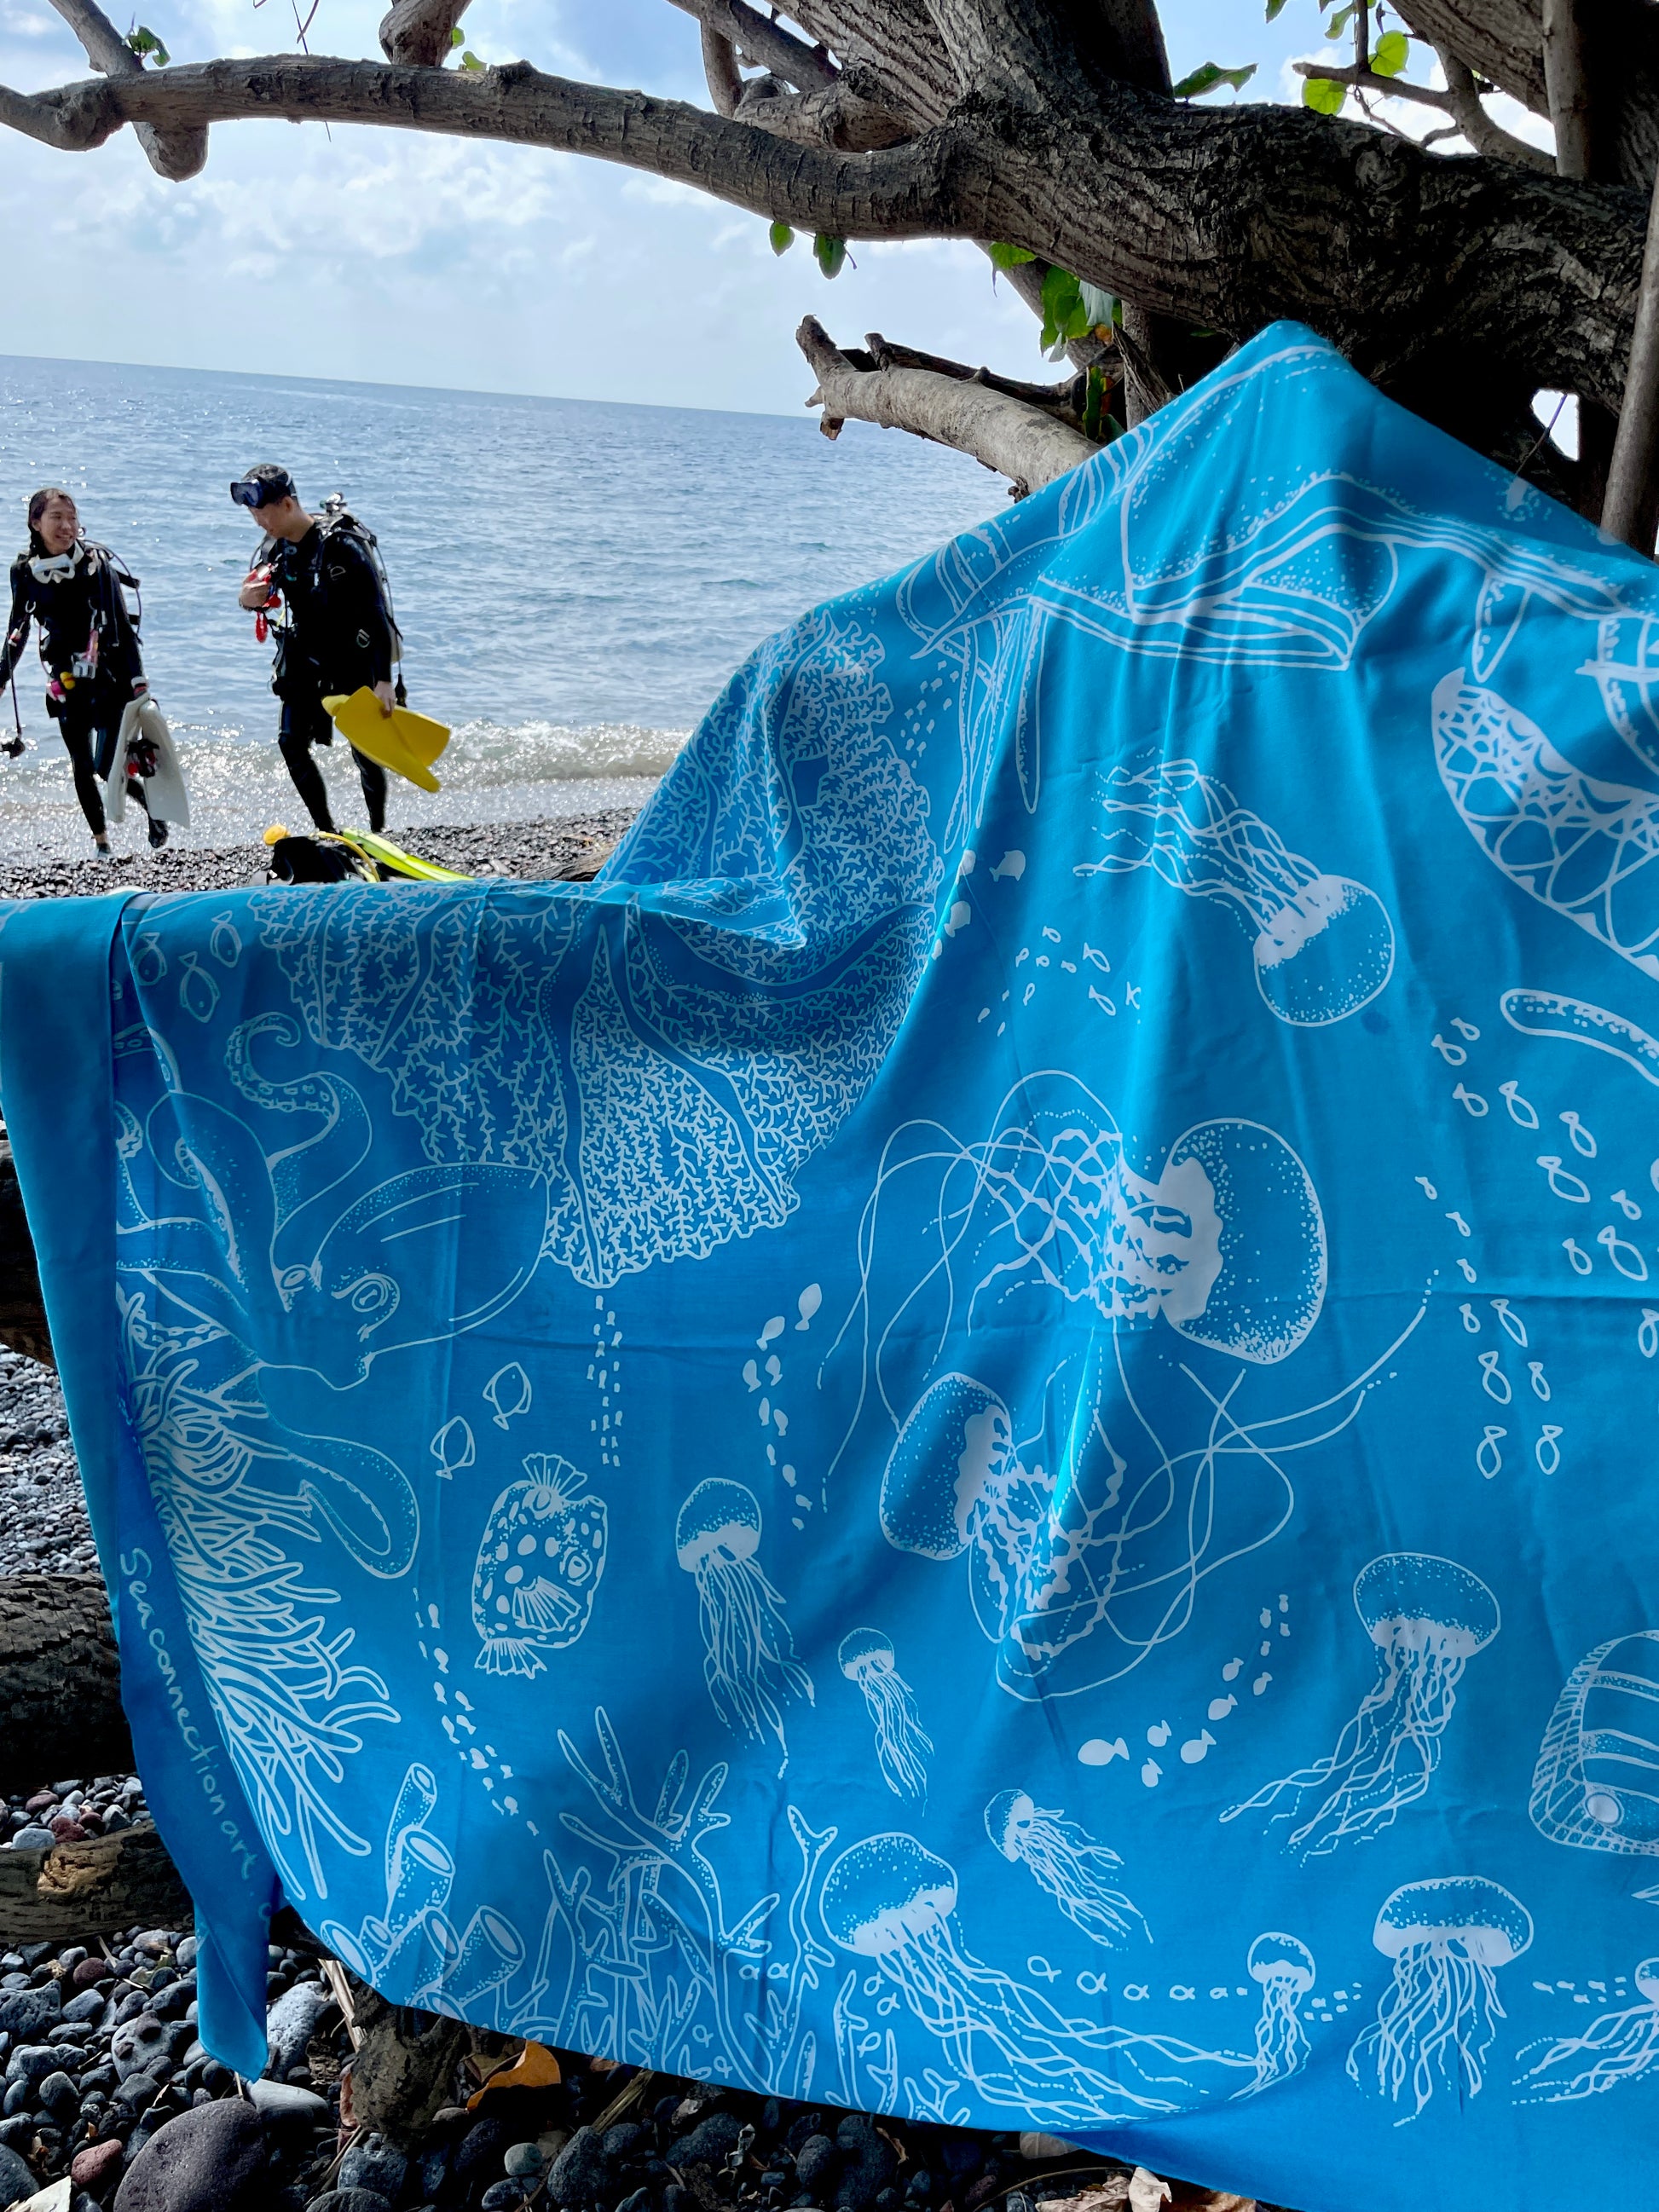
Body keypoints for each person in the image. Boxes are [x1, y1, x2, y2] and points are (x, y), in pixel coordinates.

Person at [233, 464, 398, 835]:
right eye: (252, 514)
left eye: (262, 512)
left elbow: (376, 613)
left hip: (353, 661)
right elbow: (255, 593)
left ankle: (378, 830)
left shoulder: (341, 546)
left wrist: (384, 681)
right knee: (290, 744)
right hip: (305, 661)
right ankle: (326, 829)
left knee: (366, 753)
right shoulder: (276, 547)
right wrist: (247, 600)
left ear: (287, 504)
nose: (258, 521)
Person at [0, 488, 167, 857]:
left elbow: (123, 629)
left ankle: (153, 811)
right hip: (65, 677)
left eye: (72, 518)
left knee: (106, 766)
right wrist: (1, 677)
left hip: (109, 676)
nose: (67, 526)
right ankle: (102, 844)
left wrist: (139, 683)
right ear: (35, 523)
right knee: (81, 764)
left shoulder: (95, 565)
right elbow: (18, 629)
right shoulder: (24, 571)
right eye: (56, 517)